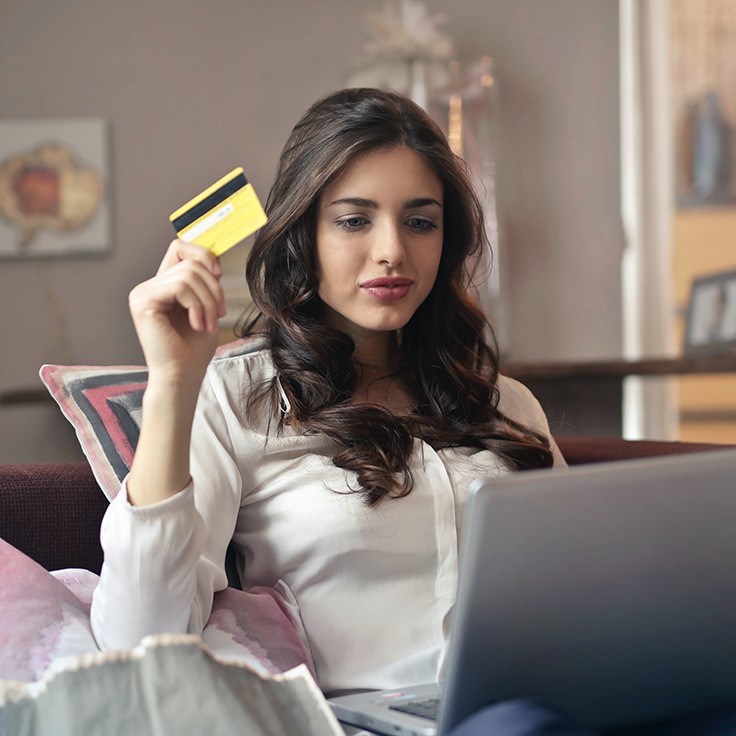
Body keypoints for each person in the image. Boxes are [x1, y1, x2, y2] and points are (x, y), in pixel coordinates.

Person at [90, 87, 564, 701]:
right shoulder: (237, 403)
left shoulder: (507, 404)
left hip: (549, 701)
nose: (392, 250)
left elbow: (580, 589)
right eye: (353, 220)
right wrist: (174, 386)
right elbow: (138, 642)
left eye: (420, 221)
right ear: (303, 234)